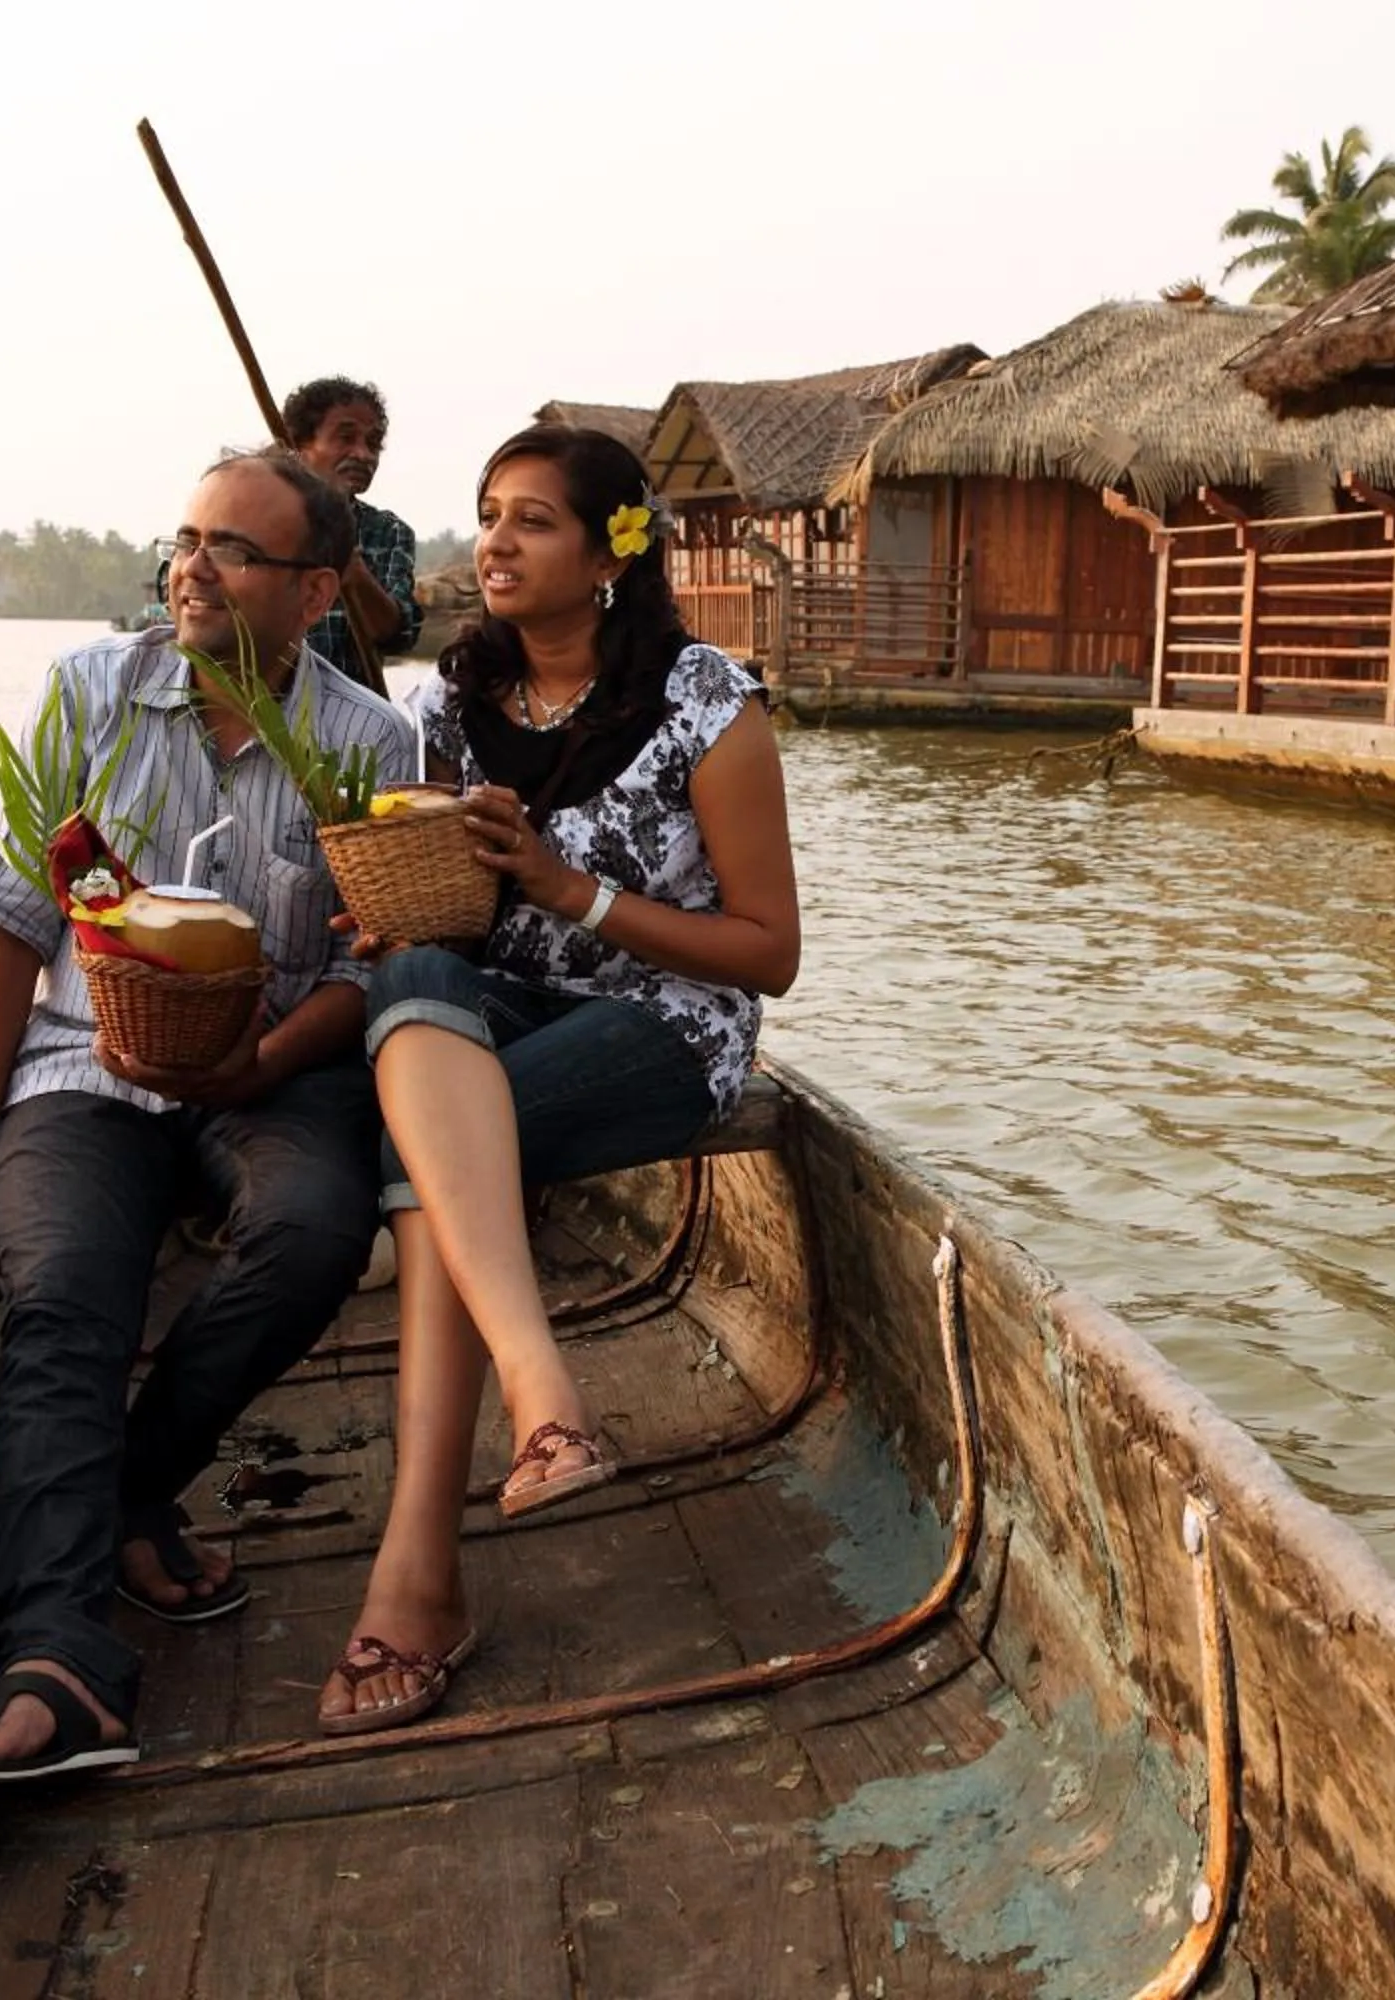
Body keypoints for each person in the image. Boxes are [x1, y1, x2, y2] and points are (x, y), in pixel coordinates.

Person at [0, 448, 418, 1802]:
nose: (190, 567)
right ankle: (50, 1666)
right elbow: (11, 933)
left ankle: (122, 1485)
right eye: (184, 541)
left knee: (314, 1233)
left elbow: (370, 966)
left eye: (231, 551)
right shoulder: (91, 695)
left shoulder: (369, 741)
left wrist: (258, 1067)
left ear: (313, 592)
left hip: (277, 1070)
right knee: (63, 1291)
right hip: (81, 1064)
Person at [314, 424, 799, 1736]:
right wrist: (399, 900)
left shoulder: (707, 701)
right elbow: (445, 928)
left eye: (532, 519)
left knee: (430, 1158)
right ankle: (544, 1404)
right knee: (414, 982)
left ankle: (417, 1574)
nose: (496, 542)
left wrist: (566, 887)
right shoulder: (450, 705)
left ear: (609, 553)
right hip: (502, 1009)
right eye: (488, 514)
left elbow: (770, 954)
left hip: (669, 1017)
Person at [285, 375, 421, 690]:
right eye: (345, 438)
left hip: (350, 730)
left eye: (372, 443)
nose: (364, 454)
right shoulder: (254, 516)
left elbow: (399, 636)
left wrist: (355, 576)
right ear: (299, 446)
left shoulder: (388, 532)